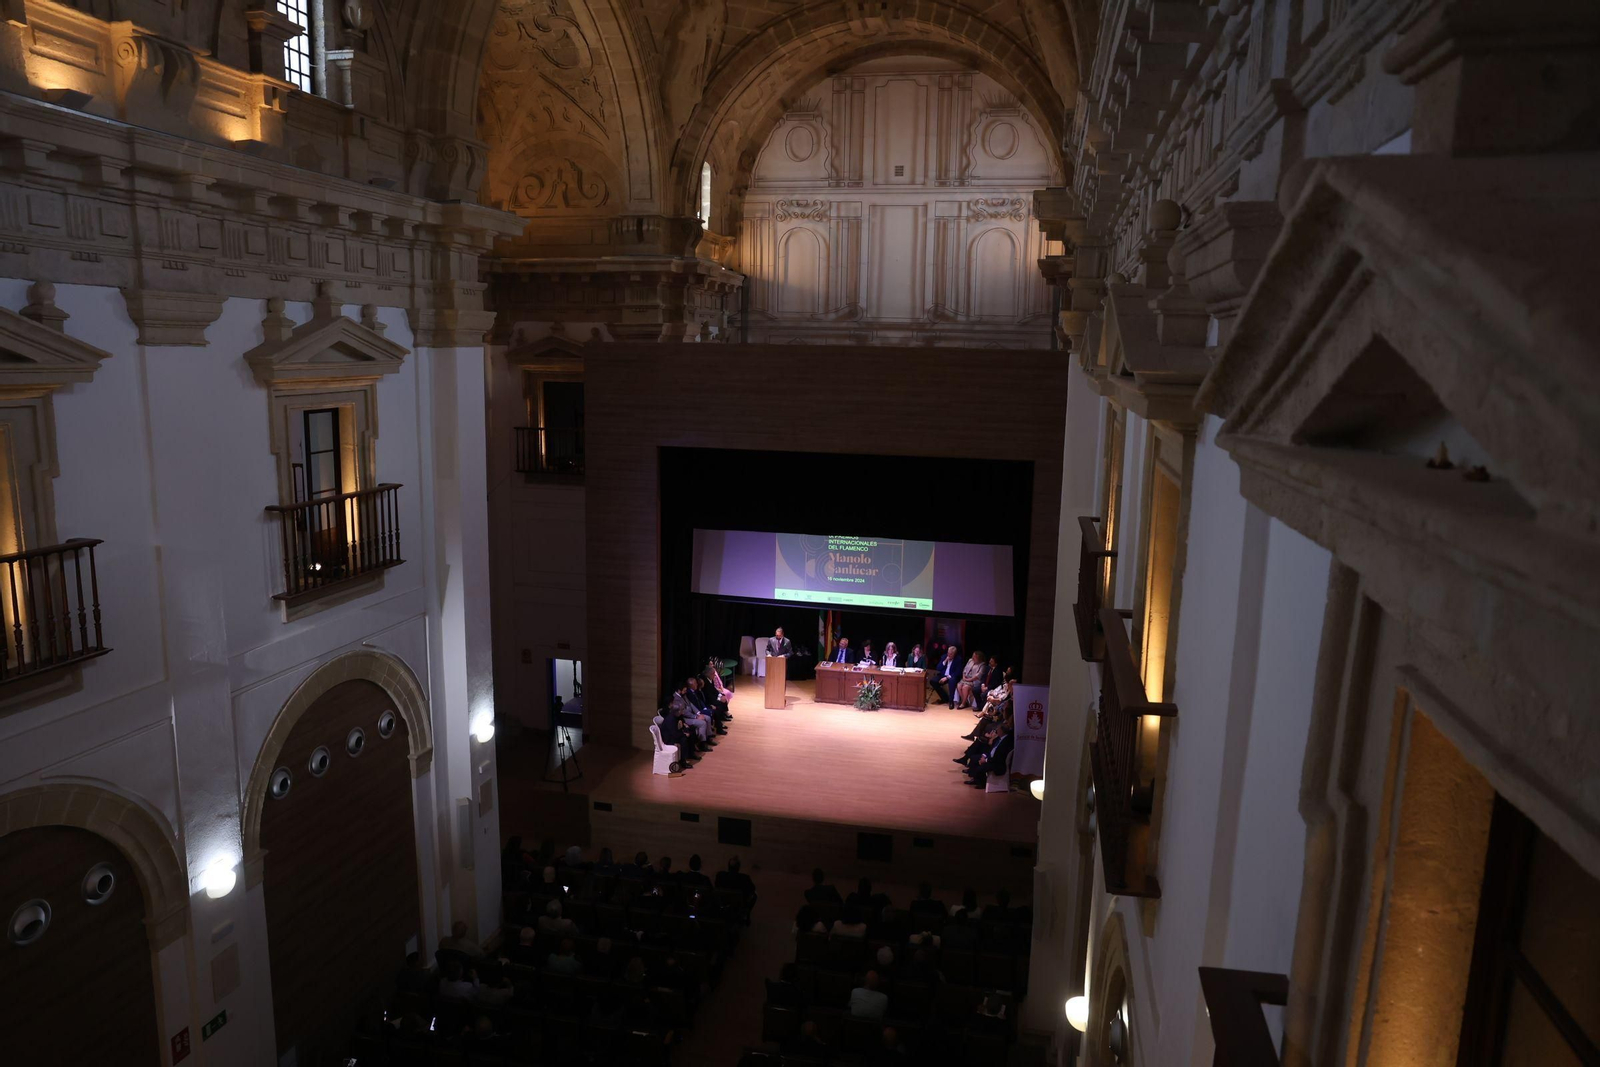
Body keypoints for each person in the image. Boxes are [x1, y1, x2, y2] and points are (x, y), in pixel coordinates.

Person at [966, 722, 1015, 788]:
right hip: (990, 757)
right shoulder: (998, 738)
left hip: (997, 763)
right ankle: (975, 779)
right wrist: (984, 756)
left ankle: (982, 783)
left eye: (998, 729)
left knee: (981, 767)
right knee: (973, 758)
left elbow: (999, 758)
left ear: (1001, 731)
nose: (996, 731)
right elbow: (990, 749)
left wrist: (985, 760)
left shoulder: (1006, 742)